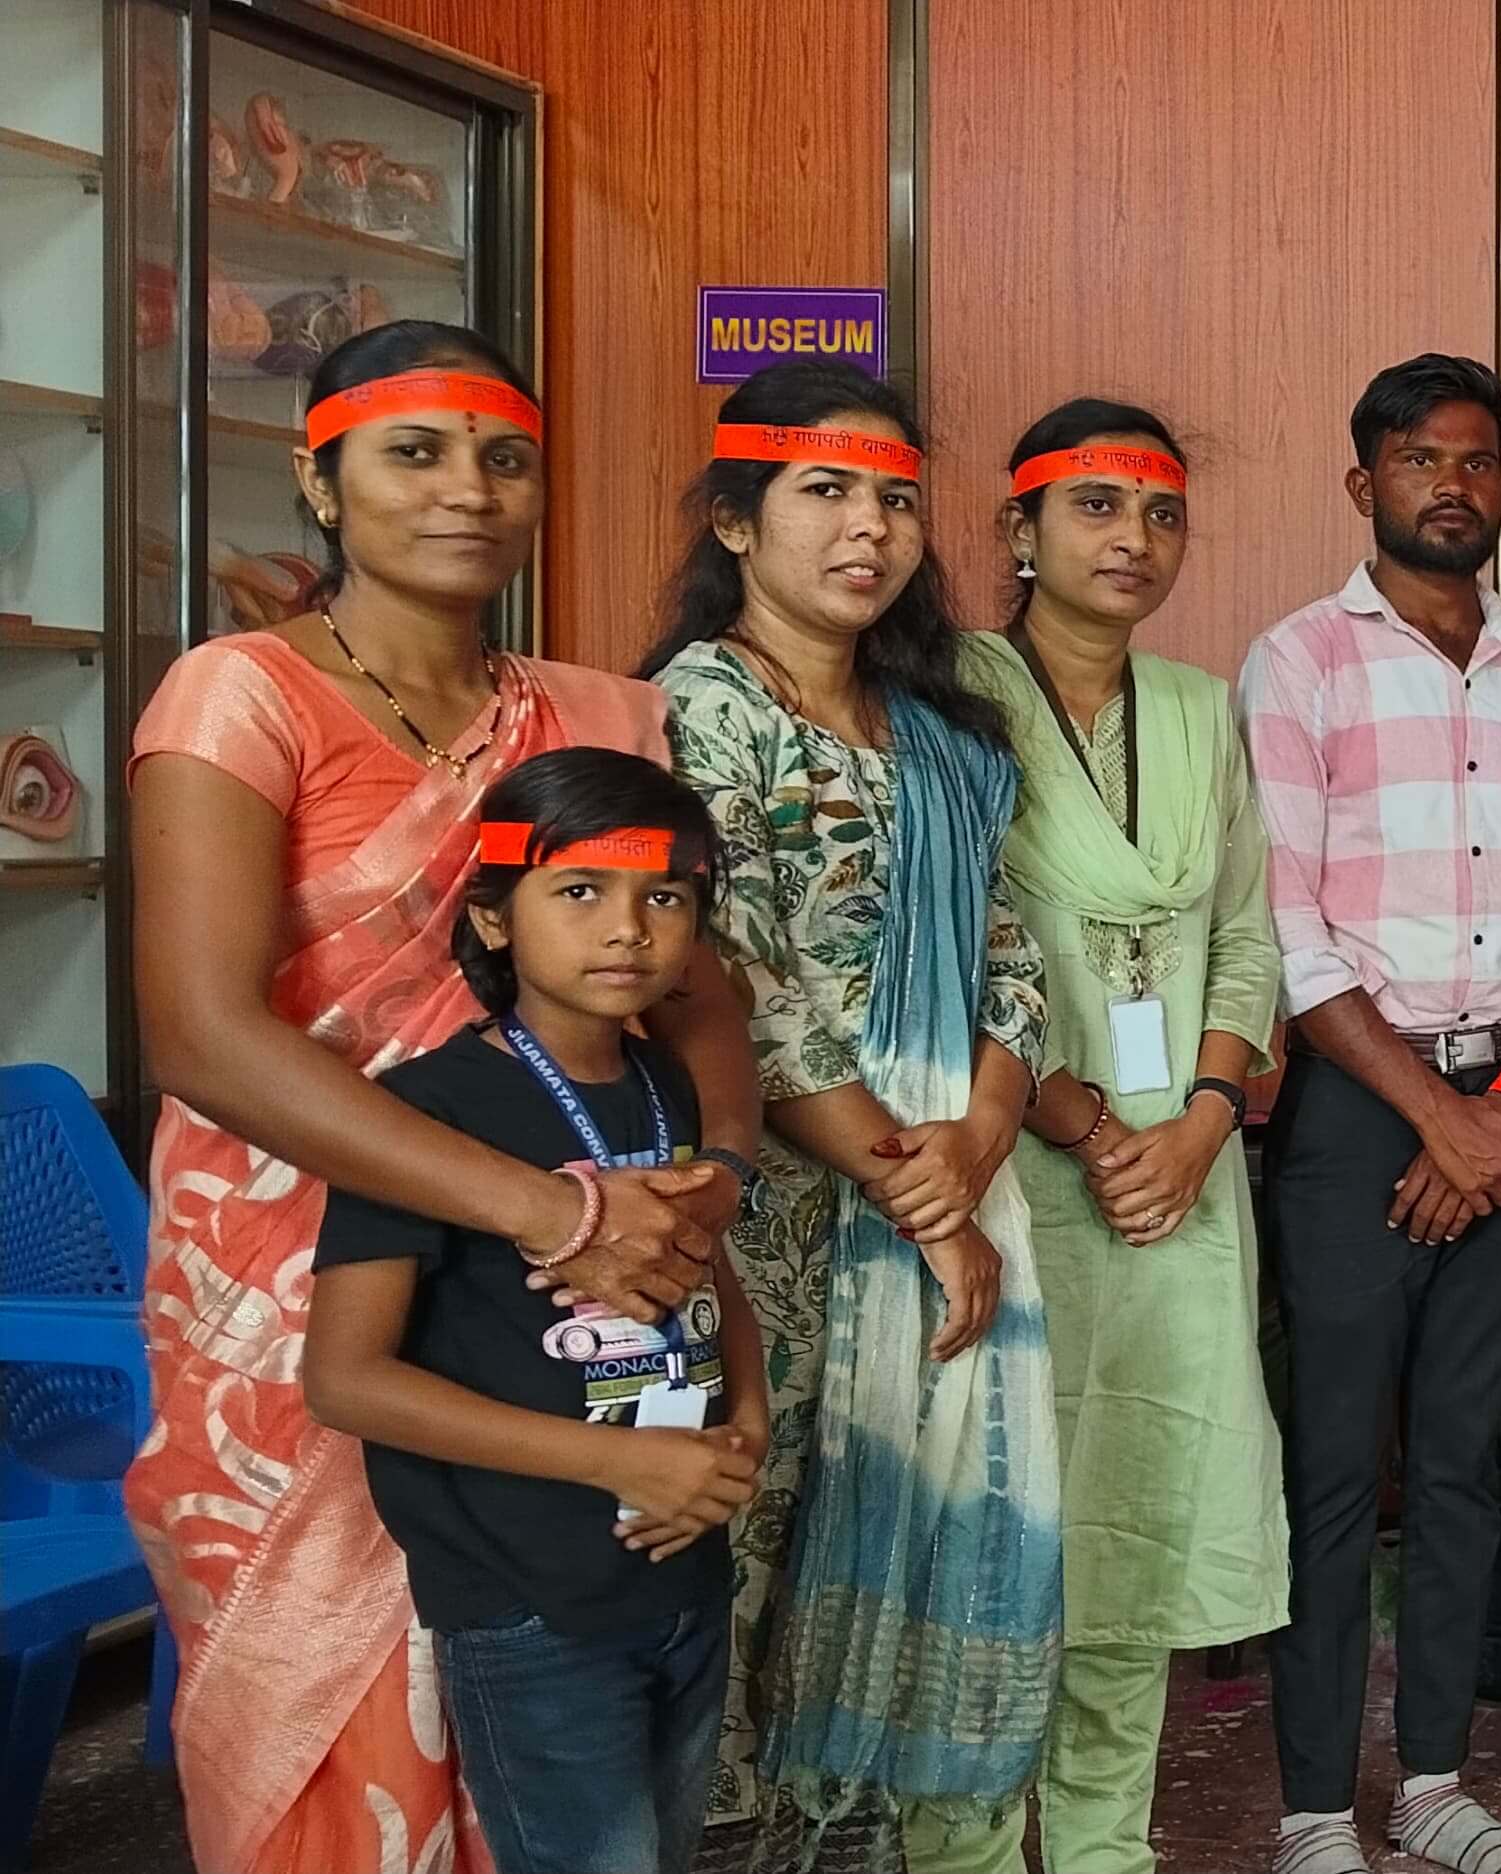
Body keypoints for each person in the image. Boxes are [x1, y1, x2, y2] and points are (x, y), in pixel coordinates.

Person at [122, 321, 752, 1874]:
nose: (467, 489)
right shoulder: (239, 694)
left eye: (505, 458)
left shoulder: (605, 717)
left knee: (564, 1662)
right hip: (294, 1266)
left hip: (572, 1281)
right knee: (333, 1708)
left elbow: (701, 990)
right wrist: (551, 1210)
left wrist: (711, 1178)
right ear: (318, 481)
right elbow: (202, 1032)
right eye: (415, 452)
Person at [639, 359, 1062, 1865]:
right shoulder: (701, 708)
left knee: (893, 1522)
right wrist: (921, 1193)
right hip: (757, 1214)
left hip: (936, 1187)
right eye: (824, 491)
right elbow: (739, 985)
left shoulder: (939, 731)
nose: (868, 528)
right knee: (746, 1540)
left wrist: (978, 1141)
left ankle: (855, 1841)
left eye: (895, 498)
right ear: (736, 520)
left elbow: (1009, 957)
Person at [1241, 353, 1501, 1874]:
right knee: (1338, 1469)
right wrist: (1436, 1119)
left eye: (1475, 459)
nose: (1451, 484)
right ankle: (1313, 1809)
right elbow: (1288, 936)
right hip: (1355, 1108)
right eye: (1419, 459)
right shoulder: (1299, 662)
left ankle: (1437, 1784)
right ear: (1365, 483)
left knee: (1462, 1462)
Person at [303, 748, 765, 1874]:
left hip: (681, 1567)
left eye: (666, 897)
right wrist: (614, 1461)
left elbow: (708, 1270)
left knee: (662, 1849)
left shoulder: (669, 1085)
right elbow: (345, 1379)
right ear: (493, 916)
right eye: (580, 891)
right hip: (528, 1601)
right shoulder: (426, 1112)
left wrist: (747, 1416)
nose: (628, 929)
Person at [964, 400, 1287, 1873]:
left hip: (1183, 1177)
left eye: (1161, 512)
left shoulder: (1200, 707)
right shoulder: (949, 698)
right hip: (1013, 1160)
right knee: (997, 1519)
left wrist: (1207, 1118)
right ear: (1020, 530)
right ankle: (968, 1849)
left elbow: (1245, 935)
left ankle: (1104, 1846)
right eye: (1095, 506)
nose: (1133, 539)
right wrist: (1086, 1122)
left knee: (1142, 1514)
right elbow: (941, 945)